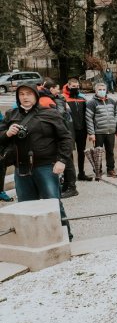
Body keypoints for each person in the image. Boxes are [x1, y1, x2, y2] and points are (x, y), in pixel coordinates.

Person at [0, 84, 73, 240]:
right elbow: (1, 138)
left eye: (28, 94)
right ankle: (33, 239)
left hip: (46, 166)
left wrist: (61, 161)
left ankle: (64, 236)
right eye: (21, 94)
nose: (25, 97)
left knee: (53, 204)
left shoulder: (50, 114)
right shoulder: (11, 115)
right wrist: (7, 133)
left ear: (35, 95)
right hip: (22, 168)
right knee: (26, 207)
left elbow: (66, 138)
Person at [39, 78, 78, 198]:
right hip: (64, 132)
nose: (59, 90)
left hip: (64, 133)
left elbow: (59, 115)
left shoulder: (58, 99)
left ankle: (72, 187)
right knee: (65, 159)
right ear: (51, 89)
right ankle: (67, 185)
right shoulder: (55, 99)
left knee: (67, 160)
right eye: (57, 88)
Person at [86, 83, 117, 178]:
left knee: (110, 151)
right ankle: (98, 171)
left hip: (110, 131)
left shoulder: (112, 101)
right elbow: (89, 118)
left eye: (103, 89)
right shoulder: (92, 103)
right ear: (96, 91)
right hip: (98, 132)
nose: (102, 91)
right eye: (100, 89)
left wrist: (114, 123)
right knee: (98, 153)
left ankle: (110, 170)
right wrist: (91, 133)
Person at [63, 77, 93, 182]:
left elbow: (87, 114)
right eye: (73, 86)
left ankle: (81, 173)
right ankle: (70, 176)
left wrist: (89, 130)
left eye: (77, 86)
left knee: (81, 152)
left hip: (81, 129)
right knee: (69, 153)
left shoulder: (82, 97)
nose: (75, 88)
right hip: (70, 130)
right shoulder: (63, 98)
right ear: (68, 85)